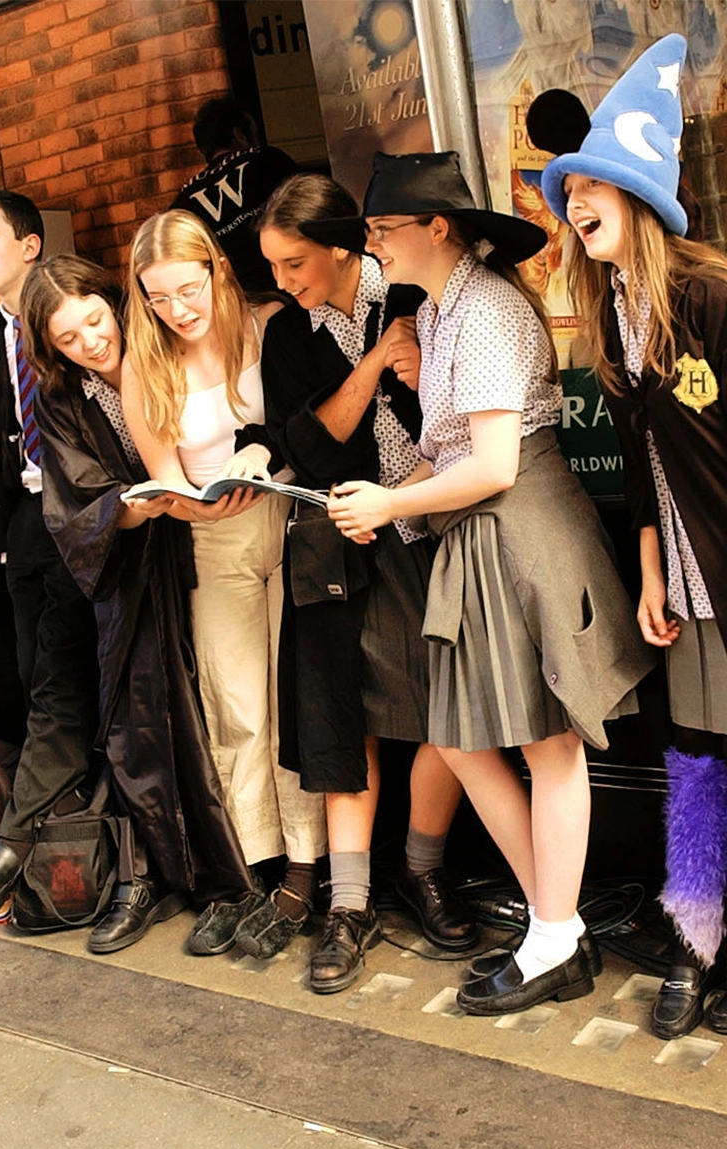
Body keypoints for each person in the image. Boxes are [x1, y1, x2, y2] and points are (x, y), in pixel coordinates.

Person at [544, 35, 727, 1036]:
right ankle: (697, 926)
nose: (575, 203)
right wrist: (649, 571)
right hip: (688, 575)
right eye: (567, 190)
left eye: (592, 186)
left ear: (640, 196)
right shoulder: (612, 309)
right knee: (696, 750)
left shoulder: (717, 299)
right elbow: (641, 463)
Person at [321, 151, 652, 1015]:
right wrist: (386, 487)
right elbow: (457, 454)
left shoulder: (489, 308)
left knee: (548, 746)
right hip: (482, 534)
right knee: (470, 742)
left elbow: (496, 463)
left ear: (436, 227)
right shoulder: (443, 313)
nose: (373, 247)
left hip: (518, 525)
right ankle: (559, 927)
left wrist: (391, 498)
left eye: (383, 231)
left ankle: (552, 936)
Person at [253, 174, 476, 994]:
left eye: (296, 262)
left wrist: (406, 367)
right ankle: (350, 905)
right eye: (273, 266)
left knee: (453, 710)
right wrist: (379, 363)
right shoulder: (286, 337)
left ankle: (422, 870)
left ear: (344, 245)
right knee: (342, 724)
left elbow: (453, 421)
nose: (284, 281)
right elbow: (310, 448)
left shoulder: (415, 294)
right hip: (333, 541)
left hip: (428, 530)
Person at [20, 253, 261, 953]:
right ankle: (150, 874)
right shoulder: (61, 399)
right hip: (132, 564)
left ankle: (232, 874)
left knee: (225, 704)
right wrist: (139, 507)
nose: (91, 342)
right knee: (137, 725)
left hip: (214, 545)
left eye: (95, 320)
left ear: (113, 300)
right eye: (69, 338)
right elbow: (75, 505)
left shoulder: (170, 351)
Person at [119, 209, 326, 953]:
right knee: (238, 706)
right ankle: (253, 868)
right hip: (213, 538)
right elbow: (167, 480)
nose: (176, 310)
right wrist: (182, 503)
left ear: (214, 267)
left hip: (294, 521)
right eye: (158, 298)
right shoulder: (145, 364)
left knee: (297, 699)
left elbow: (308, 427)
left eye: (186, 288)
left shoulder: (268, 325)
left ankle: (308, 866)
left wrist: (268, 464)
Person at [0, 190, 103, 916]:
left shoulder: (77, 316)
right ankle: (52, 844)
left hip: (91, 517)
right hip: (26, 531)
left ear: (31, 245)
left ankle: (18, 843)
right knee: (38, 678)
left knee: (69, 685)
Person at [171, 98, 298, 296]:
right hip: (286, 286)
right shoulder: (266, 159)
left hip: (232, 302)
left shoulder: (184, 199)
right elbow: (308, 209)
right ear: (239, 134)